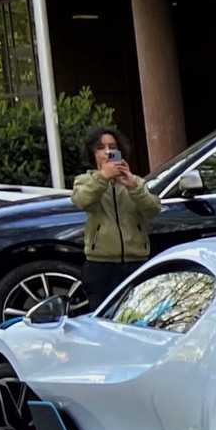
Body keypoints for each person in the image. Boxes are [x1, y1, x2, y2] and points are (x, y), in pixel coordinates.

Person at [69, 127, 159, 306]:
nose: (108, 152)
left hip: (136, 261)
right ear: (93, 154)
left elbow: (153, 209)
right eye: (101, 148)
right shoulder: (85, 181)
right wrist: (103, 178)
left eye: (112, 147)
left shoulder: (136, 182)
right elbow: (82, 201)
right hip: (101, 263)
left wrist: (132, 186)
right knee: (103, 315)